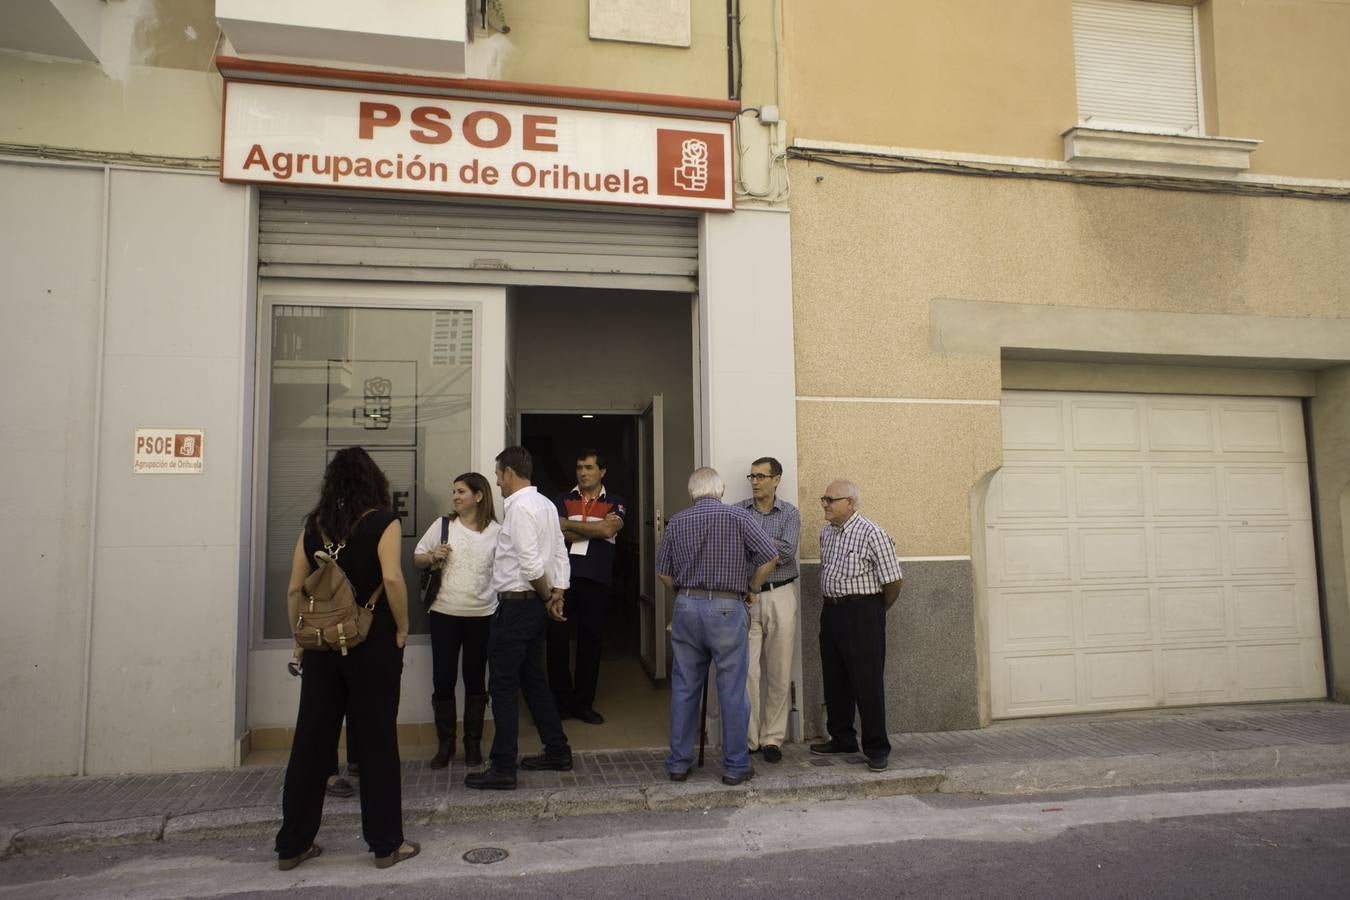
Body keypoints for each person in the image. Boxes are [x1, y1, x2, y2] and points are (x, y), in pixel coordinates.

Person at [275, 447, 419, 870]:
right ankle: (385, 844)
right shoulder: (382, 522)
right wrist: (403, 628)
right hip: (370, 643)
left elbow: (293, 590)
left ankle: (292, 844)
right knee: (376, 740)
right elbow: (392, 577)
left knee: (310, 743)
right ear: (373, 481)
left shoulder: (313, 526)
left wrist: (300, 640)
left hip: (321, 646)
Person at [657, 467, 779, 786]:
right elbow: (770, 556)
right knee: (732, 689)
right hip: (727, 606)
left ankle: (678, 764)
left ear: (691, 492)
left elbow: (663, 572)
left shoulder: (678, 521)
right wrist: (751, 588)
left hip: (686, 606)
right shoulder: (738, 517)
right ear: (721, 490)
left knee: (685, 688)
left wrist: (684, 595)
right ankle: (735, 766)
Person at [464, 447, 573, 791]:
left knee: (503, 686)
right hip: (534, 606)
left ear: (509, 472)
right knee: (534, 681)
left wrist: (547, 596)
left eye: (497, 475)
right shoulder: (546, 505)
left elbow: (529, 563)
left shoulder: (521, 508)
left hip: (518, 606)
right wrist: (558, 593)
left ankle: (503, 767)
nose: (496, 481)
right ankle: (557, 750)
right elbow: (559, 552)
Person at [811, 478, 904, 772]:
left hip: (863, 612)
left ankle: (877, 747)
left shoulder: (872, 533)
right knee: (835, 678)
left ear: (849, 503)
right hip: (832, 611)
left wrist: (876, 610)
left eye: (830, 499)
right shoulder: (826, 533)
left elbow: (893, 580)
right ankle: (842, 737)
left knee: (867, 681)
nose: (824, 504)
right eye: (823, 499)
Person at [413, 472, 500, 769]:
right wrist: (433, 555)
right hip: (444, 614)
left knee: (476, 680)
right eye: (453, 492)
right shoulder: (443, 526)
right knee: (443, 679)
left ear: (478, 496)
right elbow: (417, 557)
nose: (455, 497)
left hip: (482, 615)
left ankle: (473, 745)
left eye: (461, 491)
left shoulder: (497, 533)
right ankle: (445, 745)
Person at [550, 449, 626, 725]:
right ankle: (560, 703)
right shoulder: (562, 499)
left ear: (602, 472)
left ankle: (583, 704)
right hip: (562, 581)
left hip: (596, 580)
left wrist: (569, 525)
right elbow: (553, 532)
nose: (583, 472)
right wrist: (591, 527)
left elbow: (608, 531)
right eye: (580, 467)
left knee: (590, 643)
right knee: (557, 643)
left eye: (589, 468)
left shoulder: (615, 501)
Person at [738, 456, 800, 764]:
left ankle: (772, 738)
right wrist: (767, 546)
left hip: (781, 594)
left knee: (778, 670)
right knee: (747, 671)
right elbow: (734, 548)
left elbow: (787, 552)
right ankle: (749, 738)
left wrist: (753, 543)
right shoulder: (737, 511)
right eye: (752, 476)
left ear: (777, 479)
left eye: (762, 476)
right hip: (747, 598)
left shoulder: (789, 513)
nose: (756, 482)